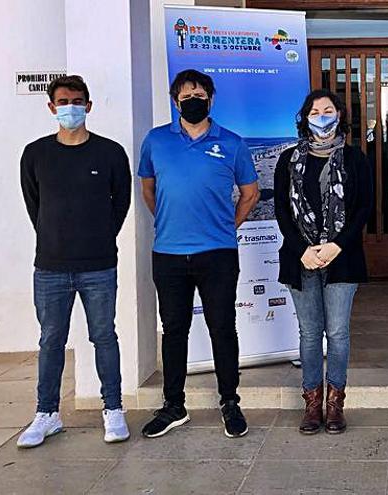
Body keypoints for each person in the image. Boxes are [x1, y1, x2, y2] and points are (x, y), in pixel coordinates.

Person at [138, 69, 260, 439]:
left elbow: (250, 193)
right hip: (169, 255)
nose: (194, 99)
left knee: (222, 328)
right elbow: (148, 189)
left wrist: (226, 226)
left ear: (211, 99)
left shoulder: (233, 143)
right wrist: (171, 223)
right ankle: (174, 406)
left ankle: (230, 402)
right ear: (175, 101)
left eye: (200, 94)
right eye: (187, 94)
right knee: (174, 330)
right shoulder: (156, 141)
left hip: (218, 254)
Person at [17, 75, 132, 448]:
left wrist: (97, 236)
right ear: (51, 107)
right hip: (50, 266)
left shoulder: (110, 153)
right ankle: (46, 413)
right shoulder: (35, 153)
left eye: (77, 101)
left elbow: (121, 203)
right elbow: (36, 205)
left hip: (98, 265)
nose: (70, 107)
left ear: (89, 106)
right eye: (63, 101)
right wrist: (56, 236)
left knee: (104, 336)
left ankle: (113, 409)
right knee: (51, 340)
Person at [274, 89, 372, 435]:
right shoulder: (287, 160)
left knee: (339, 333)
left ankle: (335, 405)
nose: (322, 116)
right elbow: (282, 211)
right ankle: (312, 406)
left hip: (341, 259)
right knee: (310, 333)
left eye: (328, 110)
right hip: (300, 258)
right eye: (315, 111)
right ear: (305, 117)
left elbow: (363, 210)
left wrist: (336, 246)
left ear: (340, 115)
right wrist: (302, 248)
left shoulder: (355, 159)